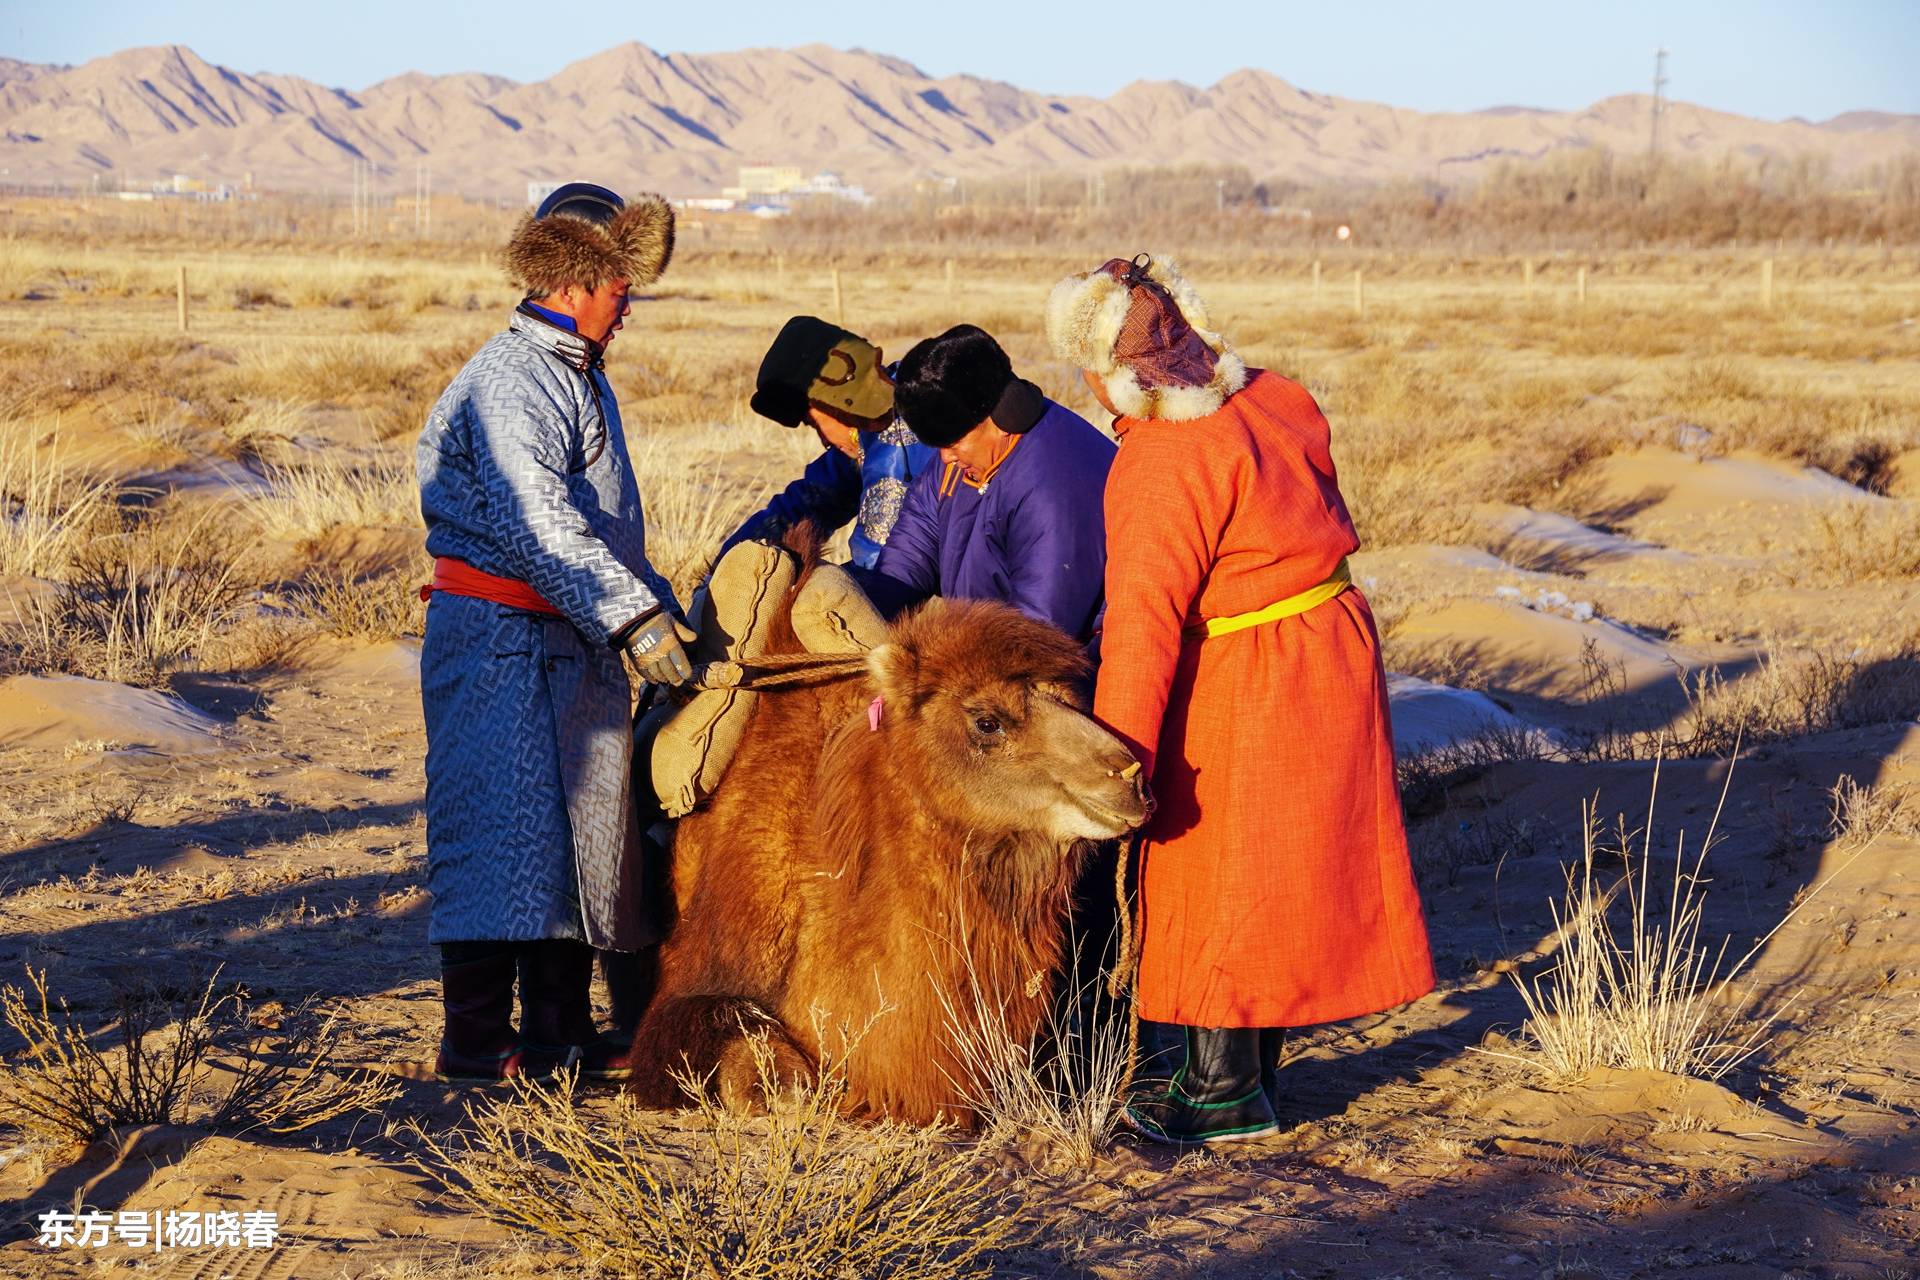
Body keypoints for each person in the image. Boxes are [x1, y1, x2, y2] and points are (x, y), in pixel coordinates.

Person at [1045, 253, 1434, 1144]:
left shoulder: (1160, 462)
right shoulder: (1273, 395)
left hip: (1251, 667)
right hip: (1329, 641)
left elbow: (1142, 626)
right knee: (1283, 859)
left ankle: (1219, 1093)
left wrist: (1114, 765)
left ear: (1111, 369)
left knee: (1219, 864)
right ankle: (1249, 1076)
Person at [415, 181, 694, 1085]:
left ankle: (559, 1037)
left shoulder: (572, 372)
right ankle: (477, 1041)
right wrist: (635, 616)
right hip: (498, 637)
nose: (630, 307)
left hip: (564, 638)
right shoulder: (513, 381)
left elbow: (600, 526)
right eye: (623, 289)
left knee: (582, 841)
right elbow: (537, 522)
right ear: (584, 273)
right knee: (500, 836)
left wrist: (662, 609)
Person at [870, 324, 1113, 647]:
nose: (945, 459)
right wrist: (865, 612)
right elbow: (910, 554)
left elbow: (1039, 631)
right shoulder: (964, 460)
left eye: (954, 443)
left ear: (1005, 415)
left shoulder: (1054, 487)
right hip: (990, 657)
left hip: (1071, 674)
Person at [721, 316, 937, 569]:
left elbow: (882, 567)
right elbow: (810, 502)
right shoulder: (873, 430)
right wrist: (732, 561)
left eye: (813, 423)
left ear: (835, 403)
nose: (824, 440)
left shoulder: (895, 442)